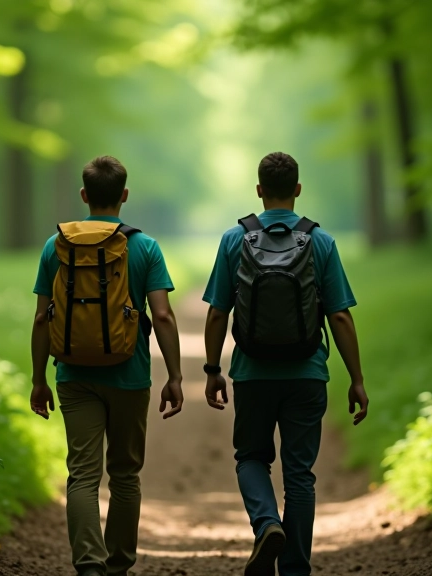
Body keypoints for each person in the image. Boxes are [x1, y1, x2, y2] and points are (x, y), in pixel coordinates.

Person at [201, 152, 368, 576]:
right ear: (297, 189)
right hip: (307, 373)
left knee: (251, 458)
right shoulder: (321, 241)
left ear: (259, 190)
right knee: (299, 474)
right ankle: (295, 569)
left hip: (253, 372)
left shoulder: (234, 240)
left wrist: (213, 370)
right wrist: (357, 379)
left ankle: (266, 525)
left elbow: (218, 312)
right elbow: (340, 316)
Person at [29, 155, 185, 576]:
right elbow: (165, 316)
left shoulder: (55, 246)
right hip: (129, 375)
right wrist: (175, 375)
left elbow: (42, 318)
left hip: (74, 375)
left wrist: (38, 379)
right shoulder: (145, 247)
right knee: (125, 474)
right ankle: (118, 565)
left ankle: (89, 566)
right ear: (124, 196)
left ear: (84, 195)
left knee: (81, 475)